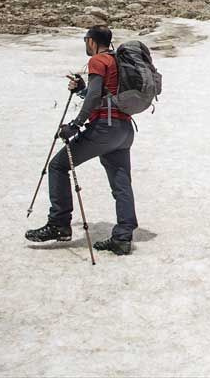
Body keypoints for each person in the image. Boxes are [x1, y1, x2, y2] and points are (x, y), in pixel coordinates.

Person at [25, 25, 138, 255]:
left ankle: (59, 224)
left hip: (104, 129)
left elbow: (96, 95)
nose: (85, 44)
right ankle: (123, 237)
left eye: (86, 39)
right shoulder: (118, 61)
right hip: (124, 130)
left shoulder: (98, 61)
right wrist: (83, 89)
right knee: (121, 183)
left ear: (93, 42)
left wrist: (75, 125)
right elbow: (102, 93)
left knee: (57, 166)